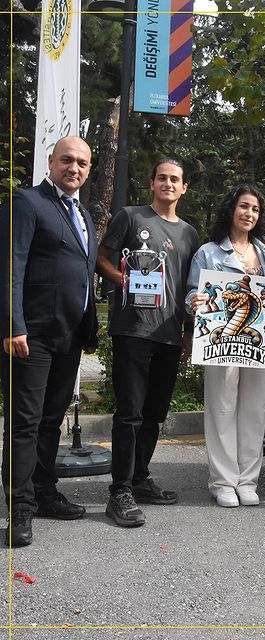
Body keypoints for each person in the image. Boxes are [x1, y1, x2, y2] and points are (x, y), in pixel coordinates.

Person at [0, 136, 97, 547]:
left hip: (68, 336)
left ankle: (42, 491)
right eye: (67, 160)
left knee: (50, 421)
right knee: (24, 423)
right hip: (31, 336)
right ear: (50, 161)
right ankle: (19, 508)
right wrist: (12, 324)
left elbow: (83, 275)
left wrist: (88, 330)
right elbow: (10, 263)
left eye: (82, 163)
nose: (73, 168)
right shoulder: (26, 203)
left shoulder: (84, 215)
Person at [186, 184, 265, 508]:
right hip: (220, 340)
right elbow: (191, 295)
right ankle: (223, 481)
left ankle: (248, 481)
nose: (249, 213)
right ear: (231, 209)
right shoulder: (208, 252)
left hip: (259, 343)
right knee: (222, 409)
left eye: (254, 209)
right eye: (243, 207)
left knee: (253, 411)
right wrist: (193, 301)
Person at [97, 159, 198, 527]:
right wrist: (123, 280)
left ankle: (140, 478)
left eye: (175, 180)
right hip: (134, 331)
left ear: (184, 188)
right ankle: (119, 490)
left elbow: (190, 288)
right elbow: (101, 259)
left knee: (154, 414)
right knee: (130, 413)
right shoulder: (129, 217)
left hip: (170, 335)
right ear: (152, 182)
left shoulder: (189, 233)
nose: (168, 184)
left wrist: (189, 331)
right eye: (162, 178)